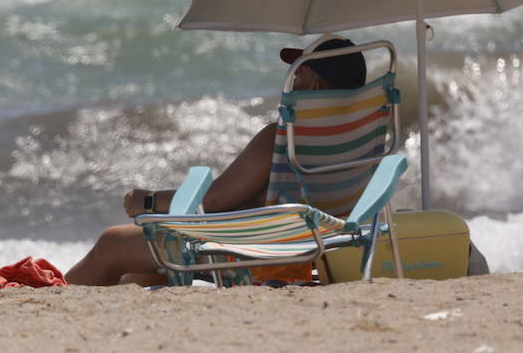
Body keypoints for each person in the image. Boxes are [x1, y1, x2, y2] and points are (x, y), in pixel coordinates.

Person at [63, 35, 367, 287]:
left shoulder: (282, 137)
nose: (292, 75)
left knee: (112, 242)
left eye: (300, 70)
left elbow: (215, 201)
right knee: (139, 277)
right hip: (313, 251)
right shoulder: (361, 140)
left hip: (256, 255)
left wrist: (149, 201)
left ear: (315, 85)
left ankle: (59, 296)